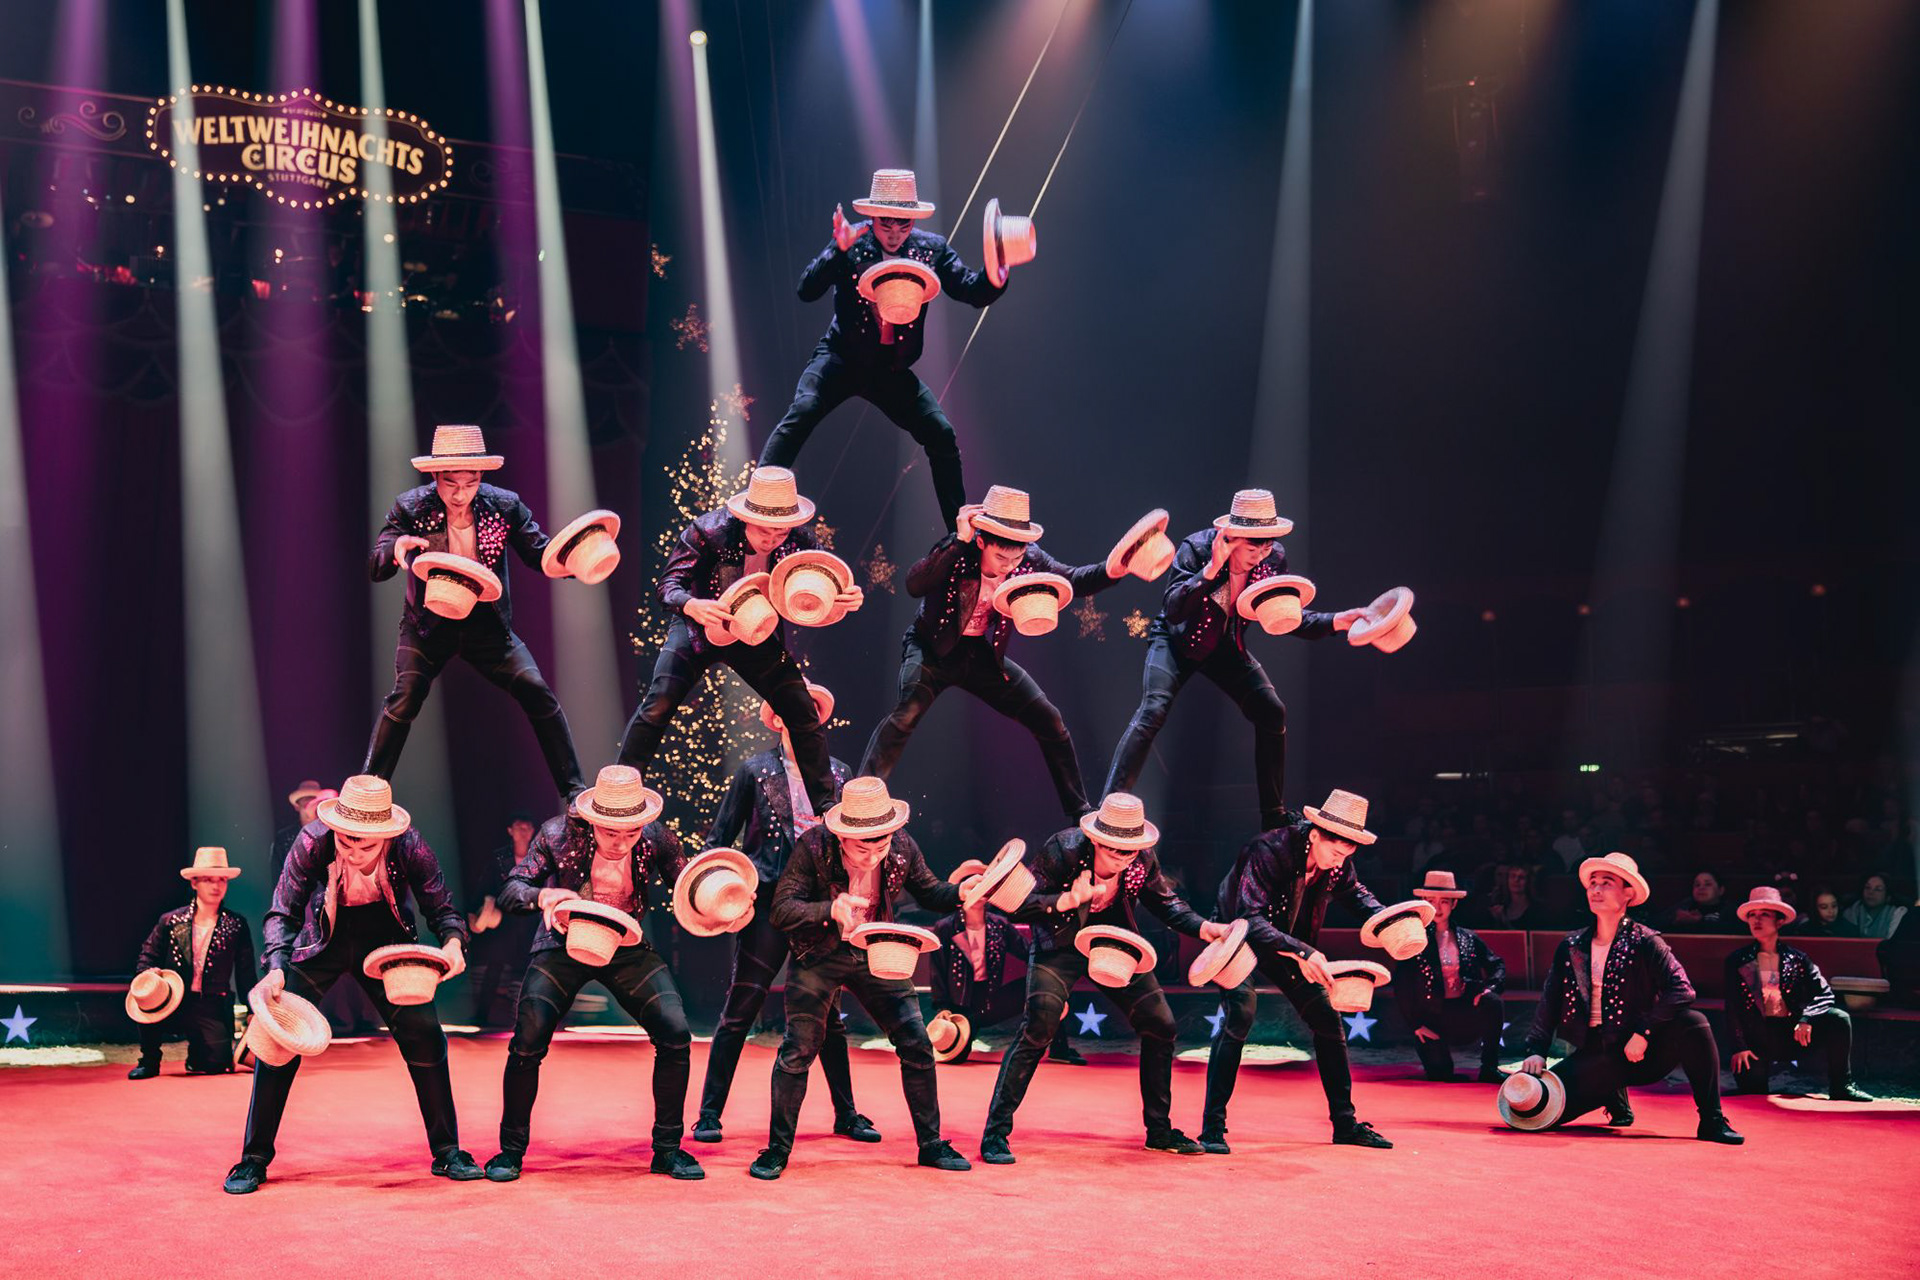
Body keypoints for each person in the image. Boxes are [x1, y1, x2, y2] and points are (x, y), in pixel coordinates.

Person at [223, 775, 478, 1194]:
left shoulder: (410, 845)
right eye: (346, 843)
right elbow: (283, 911)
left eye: (366, 847)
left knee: (425, 1035)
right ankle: (253, 1159)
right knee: (277, 1040)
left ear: (386, 836)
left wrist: (453, 943)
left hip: (385, 937)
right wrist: (276, 965)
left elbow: (443, 909)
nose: (355, 854)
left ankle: (448, 1151)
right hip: (322, 939)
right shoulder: (312, 840)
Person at [979, 793, 1230, 1164]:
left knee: (1161, 1024)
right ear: (1096, 840)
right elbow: (1018, 904)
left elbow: (1166, 903)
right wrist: (1066, 900)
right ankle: (995, 1134)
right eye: (1117, 852)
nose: (1125, 858)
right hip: (1060, 943)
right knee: (1039, 1025)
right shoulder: (1063, 850)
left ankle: (1159, 1131)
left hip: (1114, 943)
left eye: (1131, 851)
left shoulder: (1141, 859)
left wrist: (1204, 927)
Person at [758, 170, 1016, 529]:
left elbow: (971, 291)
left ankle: (959, 536)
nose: (894, 234)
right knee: (803, 410)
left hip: (890, 369)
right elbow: (807, 289)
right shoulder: (852, 241)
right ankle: (759, 504)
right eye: (886, 225)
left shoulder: (931, 249)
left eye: (903, 225)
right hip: (841, 357)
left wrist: (996, 276)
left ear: (913, 221)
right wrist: (837, 249)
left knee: (941, 434)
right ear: (873, 218)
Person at [861, 485, 1137, 820]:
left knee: (1049, 720)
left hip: (979, 654)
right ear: (982, 542)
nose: (1009, 566)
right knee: (906, 714)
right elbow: (914, 584)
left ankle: (1080, 812)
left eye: (1015, 559)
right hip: (931, 649)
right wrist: (957, 541)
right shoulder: (958, 550)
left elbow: (1073, 579)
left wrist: (1112, 571)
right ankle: (862, 802)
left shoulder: (1030, 559)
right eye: (1001, 558)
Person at [484, 766, 704, 1181]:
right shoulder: (557, 834)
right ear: (593, 821)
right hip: (563, 942)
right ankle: (510, 1152)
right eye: (611, 833)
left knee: (675, 1032)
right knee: (528, 1039)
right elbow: (512, 890)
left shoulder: (655, 837)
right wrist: (542, 895)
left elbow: (689, 883)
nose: (621, 843)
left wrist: (720, 898)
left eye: (631, 833)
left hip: (625, 942)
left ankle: (668, 1150)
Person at [1104, 489, 1369, 830]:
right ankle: (1110, 806)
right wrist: (1212, 569)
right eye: (1252, 548)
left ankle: (1273, 817)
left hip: (1223, 645)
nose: (1259, 556)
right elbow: (1174, 609)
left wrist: (1337, 621)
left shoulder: (1272, 559)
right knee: (1153, 710)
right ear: (1231, 538)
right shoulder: (1197, 548)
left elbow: (1285, 617)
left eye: (1266, 547)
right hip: (1175, 641)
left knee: (1271, 710)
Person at [754, 776, 975, 1180]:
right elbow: (782, 909)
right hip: (818, 954)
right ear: (842, 837)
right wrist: (829, 909)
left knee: (916, 1040)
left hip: (877, 950)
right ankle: (776, 1151)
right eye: (862, 848)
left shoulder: (902, 846)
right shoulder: (814, 847)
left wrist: (962, 892)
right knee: (799, 1048)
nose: (873, 856)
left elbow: (930, 891)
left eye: (881, 846)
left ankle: (931, 1145)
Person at [693, 682, 878, 1146]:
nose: (805, 717)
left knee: (829, 1015)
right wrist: (722, 892)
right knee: (741, 1008)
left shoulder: (839, 775)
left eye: (812, 711)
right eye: (796, 709)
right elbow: (719, 839)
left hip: (820, 909)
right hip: (768, 906)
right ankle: (709, 1113)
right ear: (777, 719)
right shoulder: (754, 772)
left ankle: (847, 1113)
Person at [616, 466, 860, 811]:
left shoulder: (798, 540)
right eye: (764, 531)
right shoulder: (708, 531)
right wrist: (692, 605)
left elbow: (826, 579)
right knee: (659, 703)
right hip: (698, 626)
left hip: (754, 629)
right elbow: (668, 585)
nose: (772, 540)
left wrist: (844, 597)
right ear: (747, 518)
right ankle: (619, 790)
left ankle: (825, 806)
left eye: (780, 533)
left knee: (800, 706)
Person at [366, 423, 587, 800]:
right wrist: (396, 547)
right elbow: (377, 563)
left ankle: (573, 791)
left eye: (470, 484)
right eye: (450, 483)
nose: (459, 494)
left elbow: (540, 553)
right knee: (405, 695)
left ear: (481, 478)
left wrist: (575, 561)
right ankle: (369, 790)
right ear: (435, 476)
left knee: (537, 691)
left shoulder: (504, 505)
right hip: (428, 626)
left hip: (487, 626)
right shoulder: (411, 506)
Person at [1201, 789, 1398, 1152]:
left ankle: (1345, 1124)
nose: (1340, 861)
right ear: (1316, 834)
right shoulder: (1268, 849)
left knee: (1327, 1018)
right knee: (1240, 1013)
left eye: (1347, 855)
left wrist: (1390, 919)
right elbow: (1250, 918)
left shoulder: (1337, 863)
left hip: (1288, 944)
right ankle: (1212, 1128)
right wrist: (1304, 952)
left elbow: (1356, 894)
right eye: (1336, 852)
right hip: (1238, 937)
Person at [1516, 852, 1743, 1144]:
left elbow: (1682, 988)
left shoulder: (1645, 941)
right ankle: (1612, 1095)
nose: (1596, 889)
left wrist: (1643, 1032)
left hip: (1639, 1051)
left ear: (1627, 893)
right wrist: (1536, 1050)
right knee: (1533, 1112)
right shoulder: (1572, 945)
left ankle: (1712, 1120)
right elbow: (1550, 999)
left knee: (1693, 1022)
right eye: (1593, 883)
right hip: (1596, 1053)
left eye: (1606, 883)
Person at [1723, 887, 1872, 1102]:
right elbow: (1733, 1007)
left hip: (1792, 1033)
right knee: (1752, 1096)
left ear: (1779, 921)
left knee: (1839, 1018)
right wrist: (1740, 1047)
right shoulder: (1737, 960)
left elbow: (1824, 993)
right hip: (1757, 1038)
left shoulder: (1797, 958)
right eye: (1752, 915)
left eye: (1764, 914)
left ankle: (1842, 1085)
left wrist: (1806, 1018)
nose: (1757, 920)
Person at [127, 847, 254, 1079]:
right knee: (149, 997)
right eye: (208, 880)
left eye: (222, 880)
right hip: (172, 999)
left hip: (211, 1004)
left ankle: (199, 1055)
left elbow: (246, 974)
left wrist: (253, 1010)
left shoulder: (236, 925)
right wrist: (148, 974)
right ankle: (149, 1060)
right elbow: (148, 955)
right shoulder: (171, 921)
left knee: (217, 1065)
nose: (216, 886)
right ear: (194, 883)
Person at [1392, 870, 1506, 1084]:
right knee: (1441, 1075)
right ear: (1423, 903)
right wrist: (1416, 1024)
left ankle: (1489, 1067)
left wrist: (1489, 989)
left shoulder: (1467, 937)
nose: (1438, 907)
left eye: (1444, 901)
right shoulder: (1415, 940)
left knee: (1493, 1002)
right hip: (1432, 1016)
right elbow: (1402, 985)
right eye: (1431, 901)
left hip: (1464, 1011)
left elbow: (1497, 964)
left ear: (1454, 904)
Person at [465, 811, 540, 1027]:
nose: (523, 831)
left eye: (527, 827)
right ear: (510, 831)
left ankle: (524, 1019)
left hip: (530, 921)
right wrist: (475, 912)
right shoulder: (499, 858)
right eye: (519, 827)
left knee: (525, 969)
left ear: (532, 831)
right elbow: (484, 885)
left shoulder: (539, 857)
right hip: (504, 920)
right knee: (495, 967)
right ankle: (481, 1017)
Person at [269, 780, 333, 883]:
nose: (310, 802)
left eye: (314, 799)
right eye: (305, 800)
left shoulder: (331, 833)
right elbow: (278, 876)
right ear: (296, 806)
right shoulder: (284, 837)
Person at [1841, 873, 1908, 940]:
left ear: (1888, 896)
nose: (1871, 892)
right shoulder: (1852, 911)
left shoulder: (1896, 913)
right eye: (1867, 887)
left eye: (1878, 889)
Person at [1668, 869, 1736, 933]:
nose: (1701, 888)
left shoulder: (1730, 910)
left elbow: (1731, 931)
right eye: (1697, 885)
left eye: (1708, 884)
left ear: (1721, 890)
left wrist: (1699, 922)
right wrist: (1674, 921)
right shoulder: (1685, 906)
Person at [1796, 888, 1861, 938]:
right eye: (1824, 907)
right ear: (1815, 908)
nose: (1831, 911)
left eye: (1834, 906)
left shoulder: (1850, 930)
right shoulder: (1805, 931)